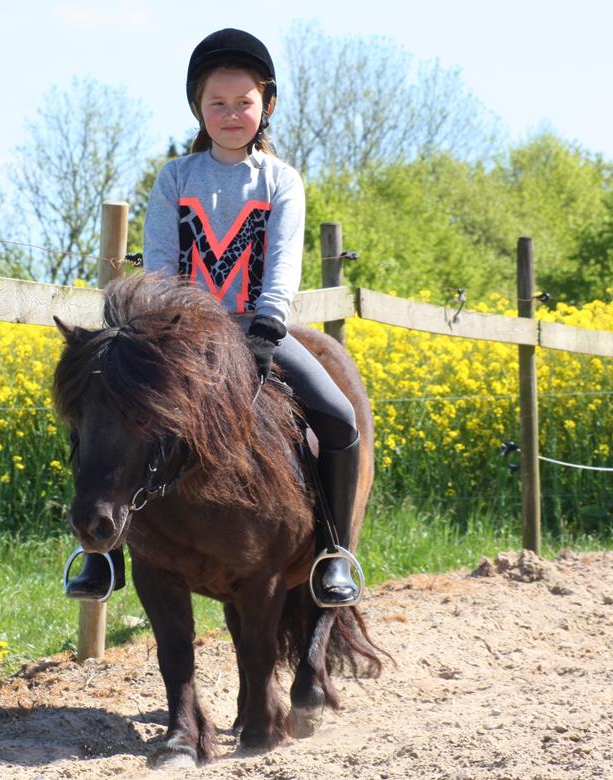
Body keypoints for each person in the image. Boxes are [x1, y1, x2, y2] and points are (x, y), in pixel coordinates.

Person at [65, 28, 364, 607]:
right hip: (180, 339)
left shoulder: (281, 181)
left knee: (339, 416)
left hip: (259, 331)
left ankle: (333, 553)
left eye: (243, 102)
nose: (231, 114)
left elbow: (281, 261)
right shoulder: (176, 178)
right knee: (104, 410)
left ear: (266, 105)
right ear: (198, 109)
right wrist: (165, 326)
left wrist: (269, 325)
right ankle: (103, 554)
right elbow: (159, 264)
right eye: (217, 104)